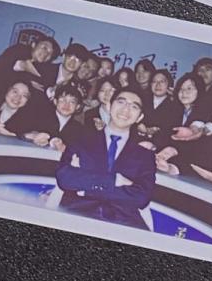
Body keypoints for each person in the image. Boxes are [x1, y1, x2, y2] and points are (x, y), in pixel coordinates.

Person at [56, 85, 156, 230]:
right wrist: (115, 180)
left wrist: (86, 188)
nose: (126, 109)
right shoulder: (81, 138)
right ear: (109, 106)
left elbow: (142, 197)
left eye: (134, 107)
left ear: (139, 117)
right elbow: (65, 178)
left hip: (123, 223)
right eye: (121, 102)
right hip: (77, 215)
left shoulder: (144, 155)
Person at [25, 83, 85, 152]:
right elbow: (23, 132)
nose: (66, 105)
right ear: (55, 101)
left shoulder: (79, 129)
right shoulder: (40, 117)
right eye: (63, 100)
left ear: (77, 107)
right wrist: (33, 135)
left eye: (72, 102)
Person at [139, 68, 181, 150]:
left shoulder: (176, 105)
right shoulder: (142, 99)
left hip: (162, 148)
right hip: (138, 143)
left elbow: (173, 130)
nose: (158, 85)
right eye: (154, 81)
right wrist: (139, 127)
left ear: (169, 84)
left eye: (162, 81)